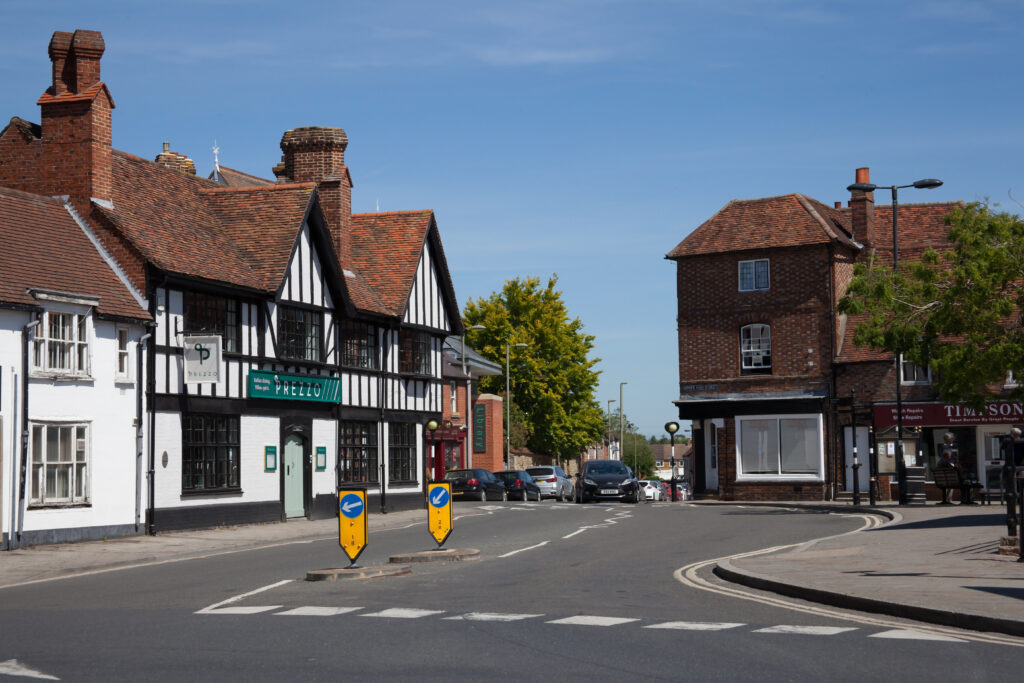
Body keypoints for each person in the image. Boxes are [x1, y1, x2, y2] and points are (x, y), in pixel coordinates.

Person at [937, 432, 957, 505]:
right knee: (952, 483)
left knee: (947, 483)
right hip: (948, 468)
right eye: (952, 439)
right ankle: (949, 499)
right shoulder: (946, 448)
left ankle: (946, 499)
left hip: (943, 470)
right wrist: (952, 463)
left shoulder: (943, 447)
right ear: (949, 440)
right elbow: (947, 457)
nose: (953, 440)